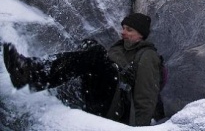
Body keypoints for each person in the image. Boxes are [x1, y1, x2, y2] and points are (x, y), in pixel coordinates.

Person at [3, 13, 163, 126]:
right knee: (89, 45)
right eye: (123, 28)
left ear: (141, 34)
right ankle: (53, 85)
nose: (123, 32)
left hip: (118, 110)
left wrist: (137, 128)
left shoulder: (147, 55)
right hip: (102, 97)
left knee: (97, 54)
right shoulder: (119, 48)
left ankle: (30, 73)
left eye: (129, 29)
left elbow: (146, 96)